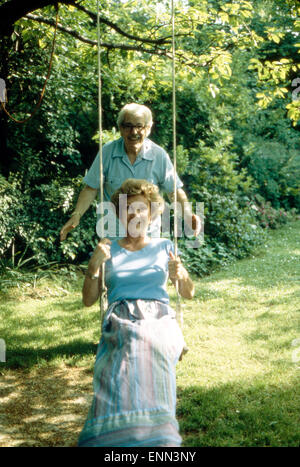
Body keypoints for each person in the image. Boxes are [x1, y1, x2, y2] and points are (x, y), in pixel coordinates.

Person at [77, 179, 194, 447]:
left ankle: (157, 437)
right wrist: (94, 267)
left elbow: (188, 292)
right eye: (128, 209)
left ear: (152, 213)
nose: (135, 214)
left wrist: (182, 275)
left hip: (159, 319)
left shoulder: (165, 247)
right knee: (120, 365)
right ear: (119, 214)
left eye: (141, 209)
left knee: (147, 343)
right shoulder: (109, 249)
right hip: (120, 320)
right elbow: (88, 299)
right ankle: (111, 437)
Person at [60, 102, 201, 241]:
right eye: (128, 126)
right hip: (113, 236)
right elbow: (91, 188)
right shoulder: (107, 152)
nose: (133, 132)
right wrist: (76, 215)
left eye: (139, 126)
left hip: (148, 237)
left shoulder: (159, 155)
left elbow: (174, 191)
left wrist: (188, 215)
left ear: (148, 128)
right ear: (120, 128)